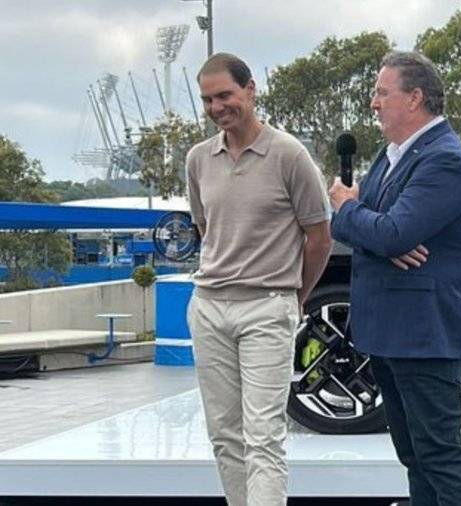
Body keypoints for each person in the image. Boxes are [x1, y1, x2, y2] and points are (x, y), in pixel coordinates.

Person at [329, 51, 461, 506]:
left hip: (424, 334)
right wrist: (378, 233)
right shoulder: (391, 155)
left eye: (382, 92)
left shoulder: (445, 160)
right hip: (389, 333)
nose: (373, 103)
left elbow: (387, 230)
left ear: (414, 98)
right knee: (414, 456)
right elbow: (364, 232)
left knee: (439, 455)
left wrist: (355, 212)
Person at [185, 52, 332, 506]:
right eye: (207, 100)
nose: (216, 108)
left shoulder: (289, 155)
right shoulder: (198, 159)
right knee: (225, 436)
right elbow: (207, 229)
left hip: (268, 306)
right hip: (209, 308)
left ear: (250, 90)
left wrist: (295, 296)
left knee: (263, 436)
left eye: (224, 95)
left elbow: (319, 238)